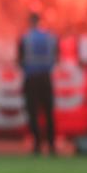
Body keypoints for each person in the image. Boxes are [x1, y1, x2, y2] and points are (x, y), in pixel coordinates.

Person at [18, 12, 58, 155]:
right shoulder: (50, 38)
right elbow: (56, 57)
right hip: (46, 78)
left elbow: (19, 60)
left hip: (31, 78)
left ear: (30, 22)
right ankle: (52, 145)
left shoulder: (25, 38)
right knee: (48, 113)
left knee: (33, 112)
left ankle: (37, 145)